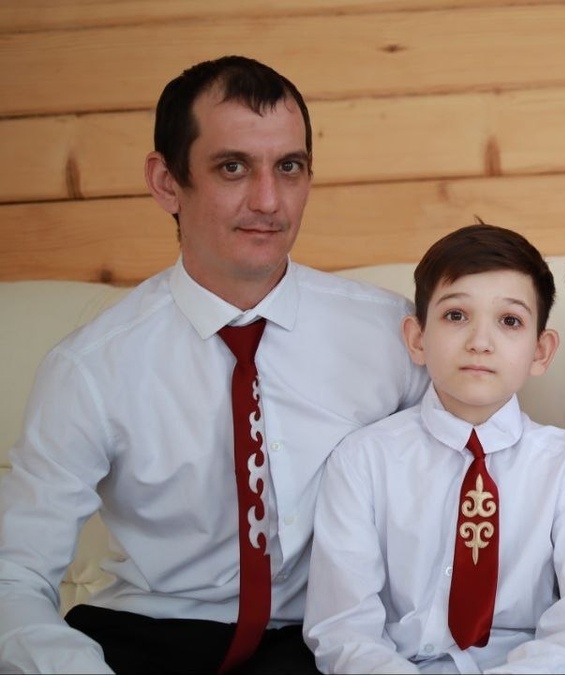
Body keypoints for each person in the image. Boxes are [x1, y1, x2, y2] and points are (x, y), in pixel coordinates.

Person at [0, 55, 429, 673]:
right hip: (151, 632)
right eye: (233, 167)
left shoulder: (394, 336)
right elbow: (15, 575)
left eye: (289, 167)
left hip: (328, 635)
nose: (268, 201)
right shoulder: (90, 369)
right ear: (166, 182)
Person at [303, 223, 565, 673]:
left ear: (540, 351)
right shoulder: (362, 461)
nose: (480, 342)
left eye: (509, 321)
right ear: (417, 339)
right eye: (456, 315)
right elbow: (343, 627)